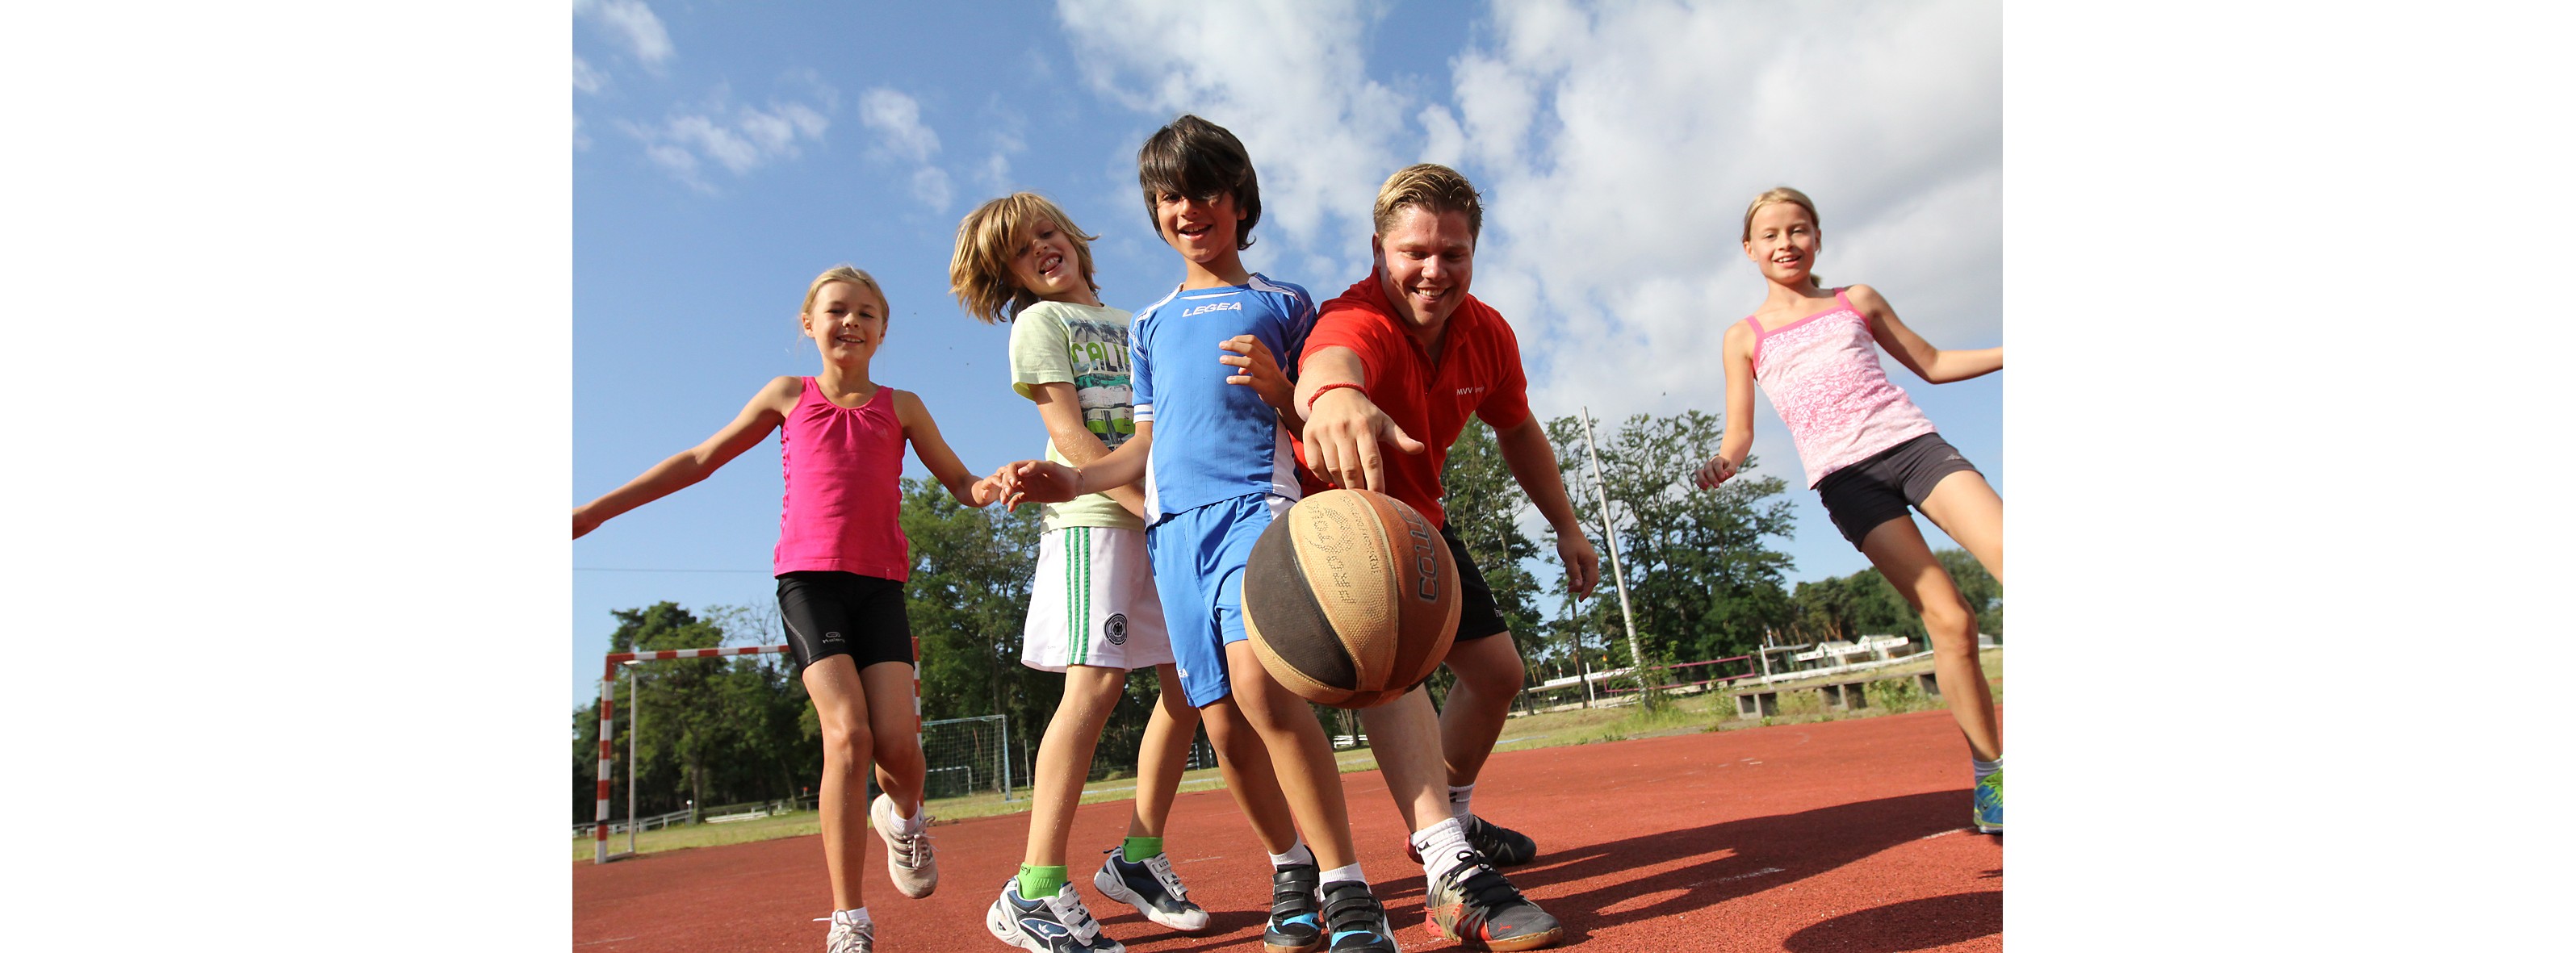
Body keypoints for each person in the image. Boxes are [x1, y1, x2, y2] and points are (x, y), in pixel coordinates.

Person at [992, 115, 1406, 953]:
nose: (1189, 208)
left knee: (1263, 692)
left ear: (1240, 199)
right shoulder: (1147, 324)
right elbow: (1140, 446)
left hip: (1256, 509)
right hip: (1170, 534)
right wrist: (1073, 478)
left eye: (1206, 190)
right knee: (1216, 721)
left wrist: (1285, 388)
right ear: (1154, 210)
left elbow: (1311, 421)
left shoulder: (1285, 303)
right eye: (1170, 195)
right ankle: (1288, 867)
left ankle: (1349, 888)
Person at [573, 266, 1000, 953]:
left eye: (866, 313)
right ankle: (849, 918)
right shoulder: (785, 395)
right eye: (836, 310)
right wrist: (594, 511)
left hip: (880, 587)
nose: (851, 322)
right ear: (809, 323)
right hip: (808, 583)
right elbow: (700, 457)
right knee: (848, 736)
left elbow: (959, 483)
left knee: (898, 748)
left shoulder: (905, 406)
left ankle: (906, 817)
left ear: (882, 331)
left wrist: (994, 484)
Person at [1285, 163, 1591, 950]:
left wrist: (1567, 525)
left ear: (1473, 252)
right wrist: (1336, 398)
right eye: (1413, 251)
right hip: (1336, 524)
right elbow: (1328, 363)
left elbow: (1517, 428)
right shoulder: (1354, 318)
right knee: (1390, 663)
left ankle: (1451, 815)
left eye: (1451, 253)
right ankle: (1447, 868)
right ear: (1378, 250)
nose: (1432, 269)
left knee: (1498, 674)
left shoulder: (1486, 333)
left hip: (1417, 520)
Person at [1694, 186, 2005, 834]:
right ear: (1748, 249)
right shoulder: (1742, 337)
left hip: (1916, 448)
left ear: (1817, 238)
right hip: (1846, 480)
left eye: (1799, 229)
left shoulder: (1854, 300)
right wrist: (1723, 462)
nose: (1786, 243)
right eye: (1772, 234)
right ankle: (1991, 779)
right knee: (1949, 618)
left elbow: (1934, 363)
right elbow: (1740, 433)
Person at [948, 192, 1213, 953]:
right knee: (1092, 686)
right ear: (1011, 277)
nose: (1041, 249)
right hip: (1092, 522)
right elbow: (1069, 432)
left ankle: (1136, 856)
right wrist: (1142, 502)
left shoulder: (1140, 324)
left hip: (1159, 520)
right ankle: (1032, 888)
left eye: (1046, 232)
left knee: (1188, 685)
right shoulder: (1041, 324)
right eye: (1021, 251)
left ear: (1072, 236)